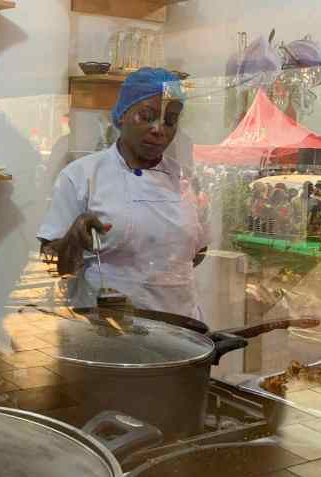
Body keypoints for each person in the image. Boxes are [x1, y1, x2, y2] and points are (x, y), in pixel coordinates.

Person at [37, 68, 208, 319]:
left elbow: (198, 251)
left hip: (179, 324)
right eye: (146, 116)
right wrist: (73, 240)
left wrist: (159, 276)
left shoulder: (186, 180)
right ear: (122, 115)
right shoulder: (82, 176)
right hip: (104, 327)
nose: (159, 129)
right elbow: (53, 268)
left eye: (170, 120)